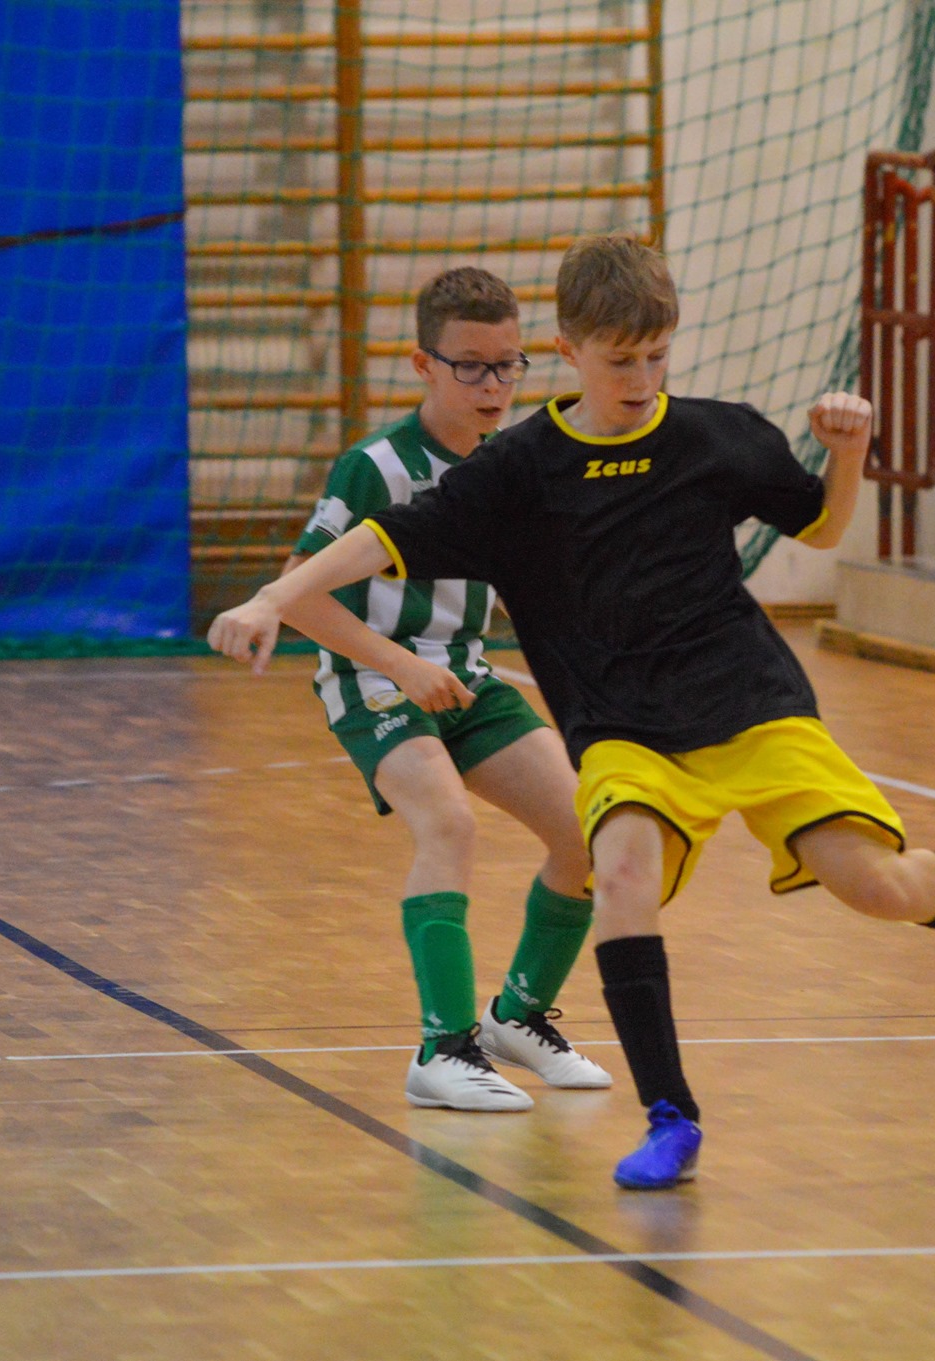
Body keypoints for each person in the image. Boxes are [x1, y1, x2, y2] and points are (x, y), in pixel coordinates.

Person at [210, 235, 935, 1189]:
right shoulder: (519, 470)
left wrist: (847, 453)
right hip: (622, 727)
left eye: (657, 355)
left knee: (876, 887)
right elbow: (378, 539)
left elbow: (818, 523)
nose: (642, 378)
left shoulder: (717, 436)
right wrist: (275, 599)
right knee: (621, 869)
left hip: (749, 703)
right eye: (619, 361)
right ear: (568, 353)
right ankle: (670, 1116)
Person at [280, 266, 610, 1112]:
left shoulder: (521, 461)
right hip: (373, 676)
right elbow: (299, 595)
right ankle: (442, 1047)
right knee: (449, 823)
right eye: (470, 365)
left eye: (508, 364)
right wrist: (400, 663)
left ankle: (519, 1016)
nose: (493, 385)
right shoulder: (375, 468)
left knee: (588, 829)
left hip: (465, 676)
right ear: (422, 364)